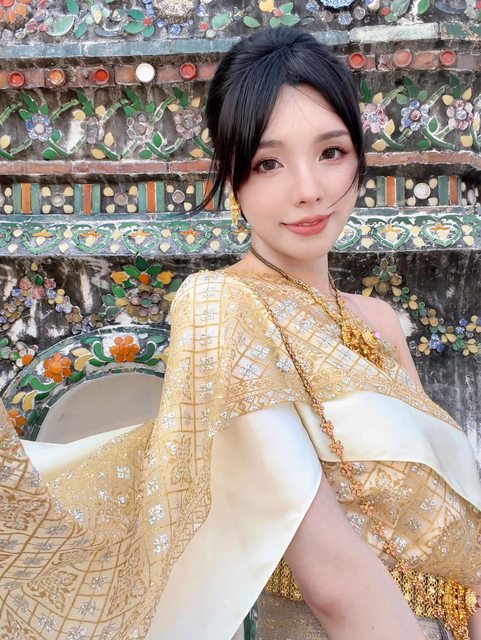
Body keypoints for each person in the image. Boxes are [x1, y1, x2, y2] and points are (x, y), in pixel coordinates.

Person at [0, 27, 480, 640]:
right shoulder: (222, 307)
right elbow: (333, 579)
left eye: (331, 152)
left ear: (360, 158)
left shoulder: (381, 322)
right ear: (232, 178)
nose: (309, 190)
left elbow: (464, 546)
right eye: (268, 163)